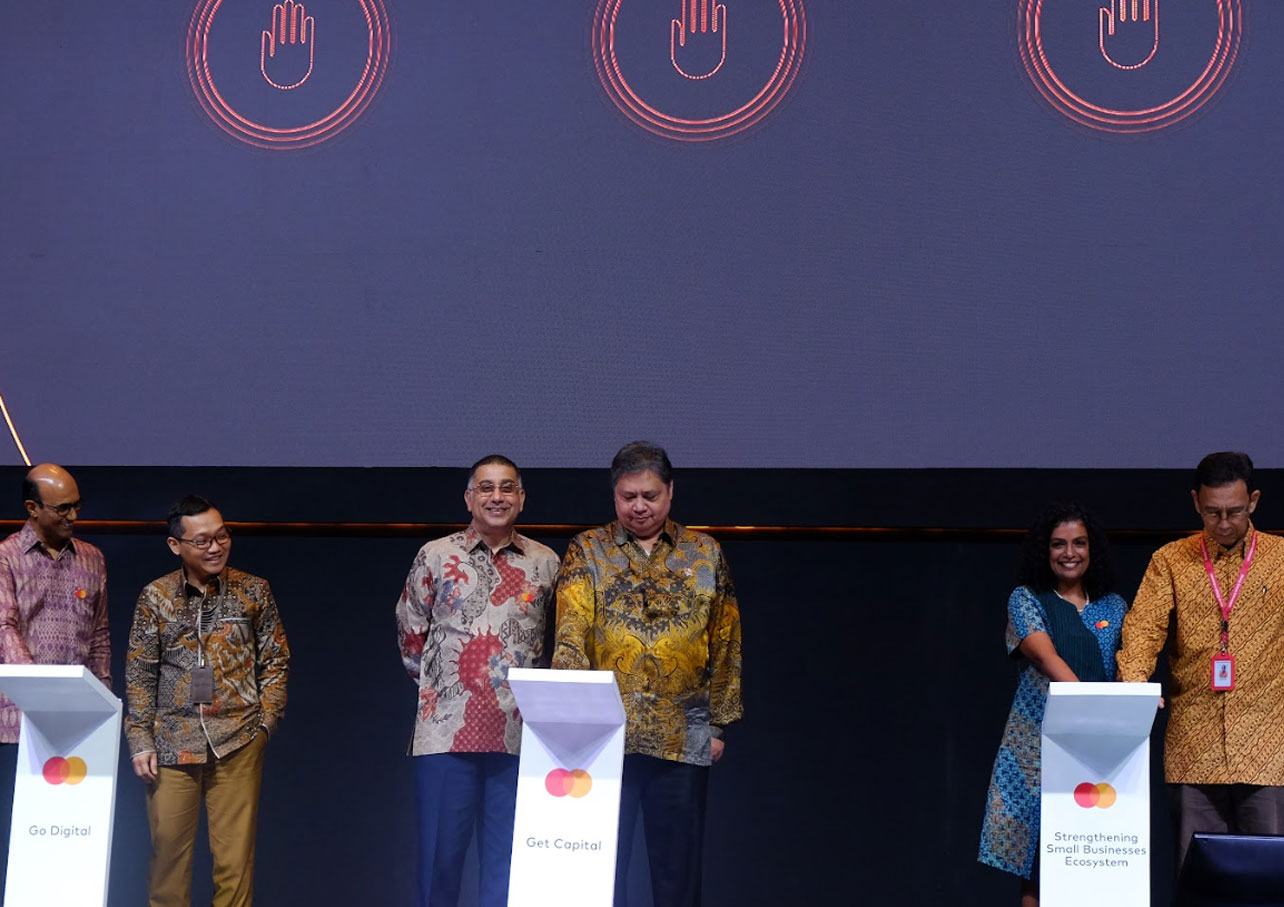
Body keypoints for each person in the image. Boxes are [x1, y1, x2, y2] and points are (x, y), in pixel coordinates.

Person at [552, 441, 742, 907]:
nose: (639, 506)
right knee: (599, 874)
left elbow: (725, 640)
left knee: (678, 876)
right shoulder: (588, 550)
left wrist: (718, 725)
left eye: (650, 496)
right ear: (614, 495)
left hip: (683, 735)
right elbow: (570, 636)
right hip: (602, 739)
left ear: (670, 492)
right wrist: (570, 721)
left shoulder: (705, 552)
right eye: (628, 496)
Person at [395, 455, 558, 907]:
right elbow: (410, 632)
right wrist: (445, 689)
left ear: (521, 498)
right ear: (469, 498)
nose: (496, 497)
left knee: (507, 871)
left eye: (507, 488)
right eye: (486, 488)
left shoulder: (546, 562)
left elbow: (554, 643)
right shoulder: (436, 555)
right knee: (439, 866)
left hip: (518, 736)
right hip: (446, 735)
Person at [1117, 451, 1284, 871]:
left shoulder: (1281, 559)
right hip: (1194, 746)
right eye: (1212, 512)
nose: (1223, 522)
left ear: (1254, 501)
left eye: (1234, 511)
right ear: (1196, 502)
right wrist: (1135, 683)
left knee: (1268, 876)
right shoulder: (1171, 560)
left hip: (1268, 746)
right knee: (1199, 875)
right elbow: (1143, 628)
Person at [124, 495, 289, 907]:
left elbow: (276, 659)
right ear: (175, 544)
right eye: (202, 541)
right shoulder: (156, 596)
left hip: (238, 738)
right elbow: (140, 672)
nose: (215, 547)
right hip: (171, 743)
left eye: (222, 536)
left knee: (235, 864)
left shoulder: (254, 590)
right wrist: (140, 739)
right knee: (168, 860)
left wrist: (266, 723)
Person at [978, 502, 1126, 907]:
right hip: (1039, 746)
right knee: (1041, 861)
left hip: (1100, 746)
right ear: (1045, 551)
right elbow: (1045, 657)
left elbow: (1127, 665)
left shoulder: (1113, 606)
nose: (1069, 553)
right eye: (1058, 544)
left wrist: (1138, 696)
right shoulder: (1027, 599)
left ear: (1092, 549)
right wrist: (1095, 704)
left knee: (1096, 853)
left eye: (1079, 543)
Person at [0, 464, 111, 893]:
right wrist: (39, 694)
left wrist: (103, 708)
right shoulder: (7, 556)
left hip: (78, 727)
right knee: (16, 844)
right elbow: (4, 627)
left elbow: (99, 637)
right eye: (62, 508)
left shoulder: (92, 558)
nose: (73, 516)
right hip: (17, 727)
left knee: (66, 847)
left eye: (77, 506)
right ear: (32, 508)